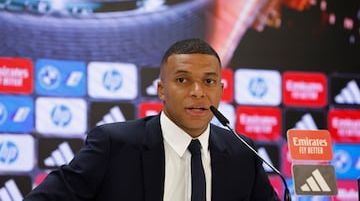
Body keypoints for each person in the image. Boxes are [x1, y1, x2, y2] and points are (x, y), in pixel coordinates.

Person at [23, 38, 280, 201]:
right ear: (161, 90)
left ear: (221, 90)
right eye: (183, 80)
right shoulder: (114, 144)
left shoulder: (241, 152)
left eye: (209, 81)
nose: (198, 92)